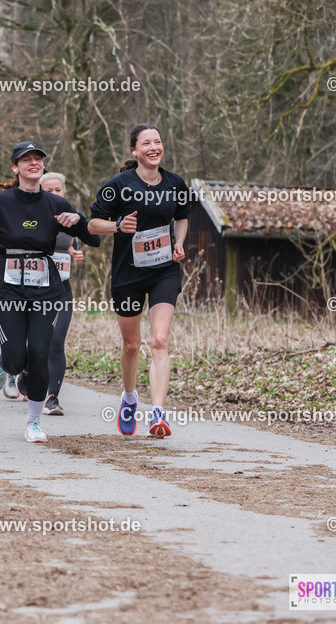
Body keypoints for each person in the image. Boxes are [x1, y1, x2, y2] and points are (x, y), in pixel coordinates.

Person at [0, 141, 99, 443]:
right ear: (15, 167)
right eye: (26, 159)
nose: (34, 163)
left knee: (39, 354)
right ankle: (3, 361)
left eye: (38, 159)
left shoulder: (56, 204)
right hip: (7, 287)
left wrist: (80, 221)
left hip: (46, 288)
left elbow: (93, 240)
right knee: (16, 358)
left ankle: (33, 422)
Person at [87, 124, 190, 438]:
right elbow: (92, 224)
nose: (154, 147)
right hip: (128, 274)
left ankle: (158, 413)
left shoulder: (175, 183)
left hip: (164, 270)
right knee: (132, 345)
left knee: (160, 340)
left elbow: (182, 215)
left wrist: (179, 243)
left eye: (158, 141)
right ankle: (129, 397)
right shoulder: (118, 185)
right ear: (135, 150)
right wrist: (118, 225)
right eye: (147, 143)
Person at [39, 172, 87, 416]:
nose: (55, 194)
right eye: (49, 190)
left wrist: (74, 254)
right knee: (33, 345)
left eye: (59, 190)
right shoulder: (30, 213)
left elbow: (71, 247)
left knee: (56, 341)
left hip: (62, 290)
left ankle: (52, 398)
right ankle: (17, 366)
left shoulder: (72, 218)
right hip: (32, 290)